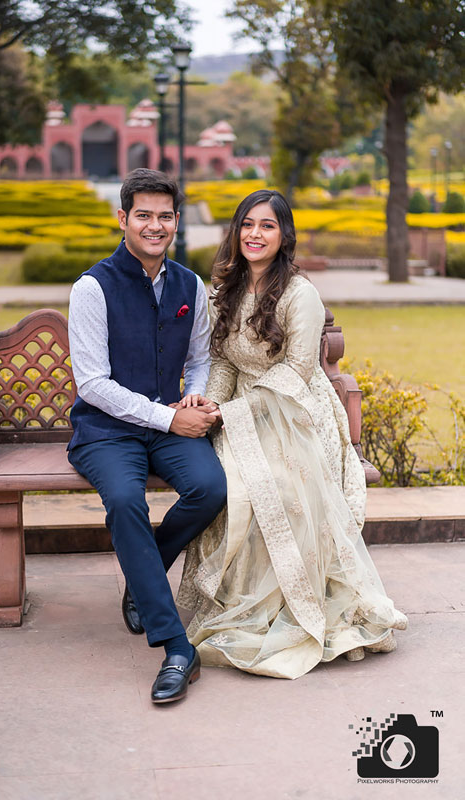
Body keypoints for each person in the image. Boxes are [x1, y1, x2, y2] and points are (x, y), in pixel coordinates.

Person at [176, 189, 407, 679]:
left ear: (284, 237)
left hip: (295, 409)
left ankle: (295, 606)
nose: (255, 234)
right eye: (247, 225)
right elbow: (221, 360)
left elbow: (299, 369)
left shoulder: (300, 294)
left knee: (280, 486)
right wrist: (213, 402)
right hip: (241, 408)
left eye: (267, 226)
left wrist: (232, 411)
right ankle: (238, 599)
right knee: (231, 483)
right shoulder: (227, 290)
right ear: (236, 232)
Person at [67, 168, 226, 703]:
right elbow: (91, 383)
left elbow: (201, 357)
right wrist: (167, 419)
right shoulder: (92, 287)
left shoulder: (190, 284)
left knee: (211, 488)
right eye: (143, 215)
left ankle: (143, 577)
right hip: (107, 430)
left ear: (176, 222)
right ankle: (176, 646)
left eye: (164, 216)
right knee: (125, 500)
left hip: (167, 421)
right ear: (123, 219)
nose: (154, 226)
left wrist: (194, 396)